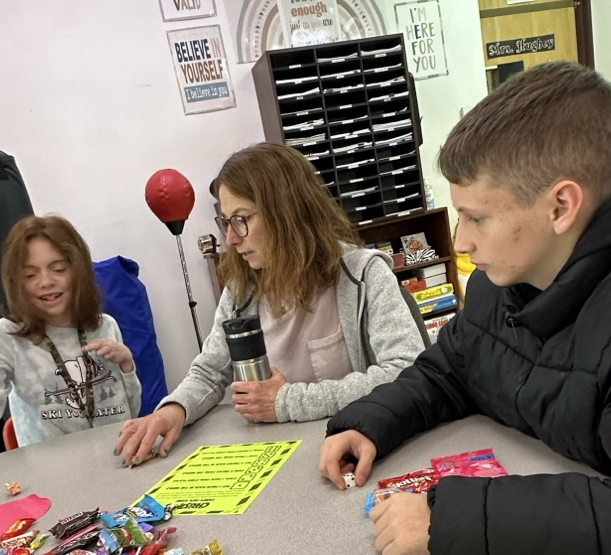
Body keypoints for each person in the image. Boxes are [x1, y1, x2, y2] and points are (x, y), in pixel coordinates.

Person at [320, 60, 611, 555]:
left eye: (478, 217)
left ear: (561, 205)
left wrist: (449, 519)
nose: (461, 241)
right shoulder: (502, 276)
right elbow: (453, 367)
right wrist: (375, 419)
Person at [116, 142, 425, 465]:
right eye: (225, 222)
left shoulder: (363, 274)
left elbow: (407, 371)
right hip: (280, 456)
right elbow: (209, 372)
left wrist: (287, 402)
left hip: (355, 450)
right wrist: (173, 409)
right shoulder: (242, 288)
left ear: (286, 213)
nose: (231, 239)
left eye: (241, 219)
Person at [0, 214, 141, 447]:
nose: (46, 281)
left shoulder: (104, 325)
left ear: (78, 272)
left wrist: (127, 364)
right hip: (53, 476)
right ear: (16, 282)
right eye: (30, 275)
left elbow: (131, 413)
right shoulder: (5, 338)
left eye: (58, 269)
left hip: (118, 459)